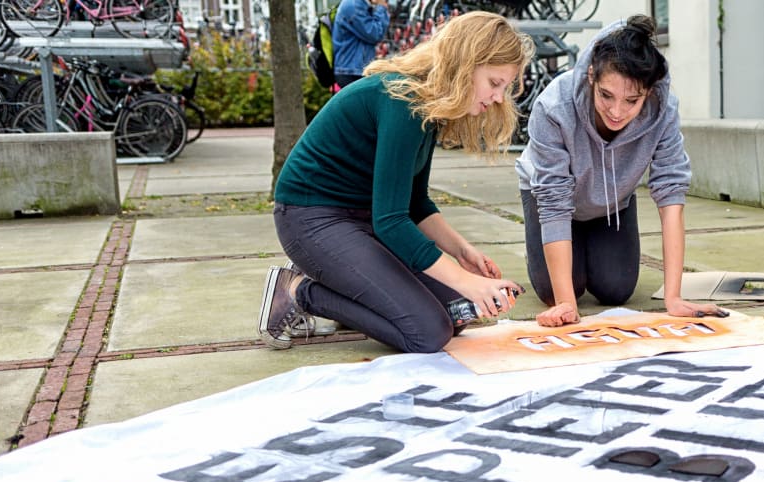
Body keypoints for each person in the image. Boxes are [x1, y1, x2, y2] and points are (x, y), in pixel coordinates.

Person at [258, 11, 533, 353]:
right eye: (494, 83)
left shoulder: (430, 105)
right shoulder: (403, 101)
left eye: (504, 88)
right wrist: (467, 282)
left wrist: (463, 252)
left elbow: (415, 202)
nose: (497, 98)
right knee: (427, 332)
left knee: (459, 312)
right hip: (311, 219)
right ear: (465, 65)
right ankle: (298, 290)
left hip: (362, 218)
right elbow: (392, 222)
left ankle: (352, 288)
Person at [515, 14, 726, 328]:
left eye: (632, 100)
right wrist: (566, 305)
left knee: (617, 289)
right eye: (606, 96)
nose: (617, 112)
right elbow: (553, 200)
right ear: (591, 76)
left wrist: (674, 297)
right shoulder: (554, 106)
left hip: (612, 202)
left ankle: (594, 250)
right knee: (558, 290)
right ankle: (562, 272)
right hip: (552, 200)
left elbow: (671, 194)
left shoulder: (663, 112)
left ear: (650, 92)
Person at [332, 0, 390, 90]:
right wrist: (381, 6)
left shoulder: (358, 3)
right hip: (352, 73)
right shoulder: (354, 5)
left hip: (354, 70)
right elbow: (375, 34)